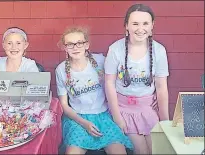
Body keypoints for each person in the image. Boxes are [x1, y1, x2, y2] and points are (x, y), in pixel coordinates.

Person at [55, 26, 133, 154]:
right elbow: (64, 105)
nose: (75, 47)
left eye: (79, 43)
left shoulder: (101, 61)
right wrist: (84, 123)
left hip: (104, 116)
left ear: (87, 45)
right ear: (64, 47)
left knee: (119, 151)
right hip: (78, 118)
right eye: (70, 44)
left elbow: (118, 82)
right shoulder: (61, 70)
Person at [104, 4, 169, 154]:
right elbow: (109, 83)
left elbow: (161, 87)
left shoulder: (159, 50)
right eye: (135, 23)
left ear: (152, 25)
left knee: (158, 149)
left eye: (145, 23)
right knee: (142, 151)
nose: (141, 28)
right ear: (126, 26)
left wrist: (165, 122)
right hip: (124, 109)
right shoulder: (116, 49)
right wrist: (116, 116)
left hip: (147, 109)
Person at [0, 27, 39, 94]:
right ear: (3, 45)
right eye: (9, 43)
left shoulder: (30, 65)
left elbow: (35, 91)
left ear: (25, 45)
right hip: (1, 103)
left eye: (18, 43)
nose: (14, 47)